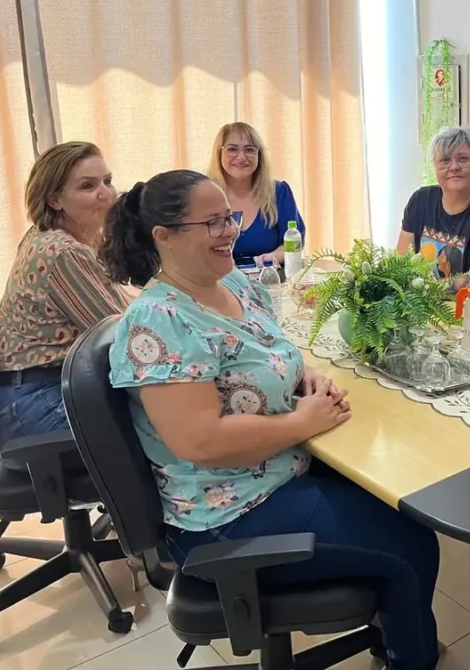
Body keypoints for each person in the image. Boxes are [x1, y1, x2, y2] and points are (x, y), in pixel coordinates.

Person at [101, 170, 440, 670]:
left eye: (229, 218)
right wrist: (303, 423)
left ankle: (397, 632)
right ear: (164, 237)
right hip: (224, 513)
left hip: (275, 469)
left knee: (397, 495)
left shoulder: (232, 281)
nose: (229, 231)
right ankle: (410, 656)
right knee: (411, 546)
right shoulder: (160, 321)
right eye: (212, 222)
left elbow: (272, 352)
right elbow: (201, 440)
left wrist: (309, 378)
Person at [0, 142, 129, 462]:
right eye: (88, 186)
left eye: (107, 180)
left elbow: (119, 306)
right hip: (32, 406)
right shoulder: (62, 251)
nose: (106, 193)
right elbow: (121, 338)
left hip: (31, 393)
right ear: (54, 199)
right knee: (169, 426)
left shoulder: (58, 234)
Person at [398, 127, 470, 287]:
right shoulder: (420, 201)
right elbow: (400, 267)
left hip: (464, 310)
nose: (454, 167)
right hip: (417, 308)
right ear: (435, 167)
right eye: (445, 160)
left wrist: (420, 288)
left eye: (463, 158)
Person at [207, 121, 305, 268]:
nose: (241, 157)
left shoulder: (279, 192)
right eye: (232, 149)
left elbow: (294, 242)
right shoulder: (203, 195)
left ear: (259, 155)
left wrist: (272, 257)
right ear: (219, 153)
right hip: (217, 282)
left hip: (271, 279)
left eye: (249, 150)